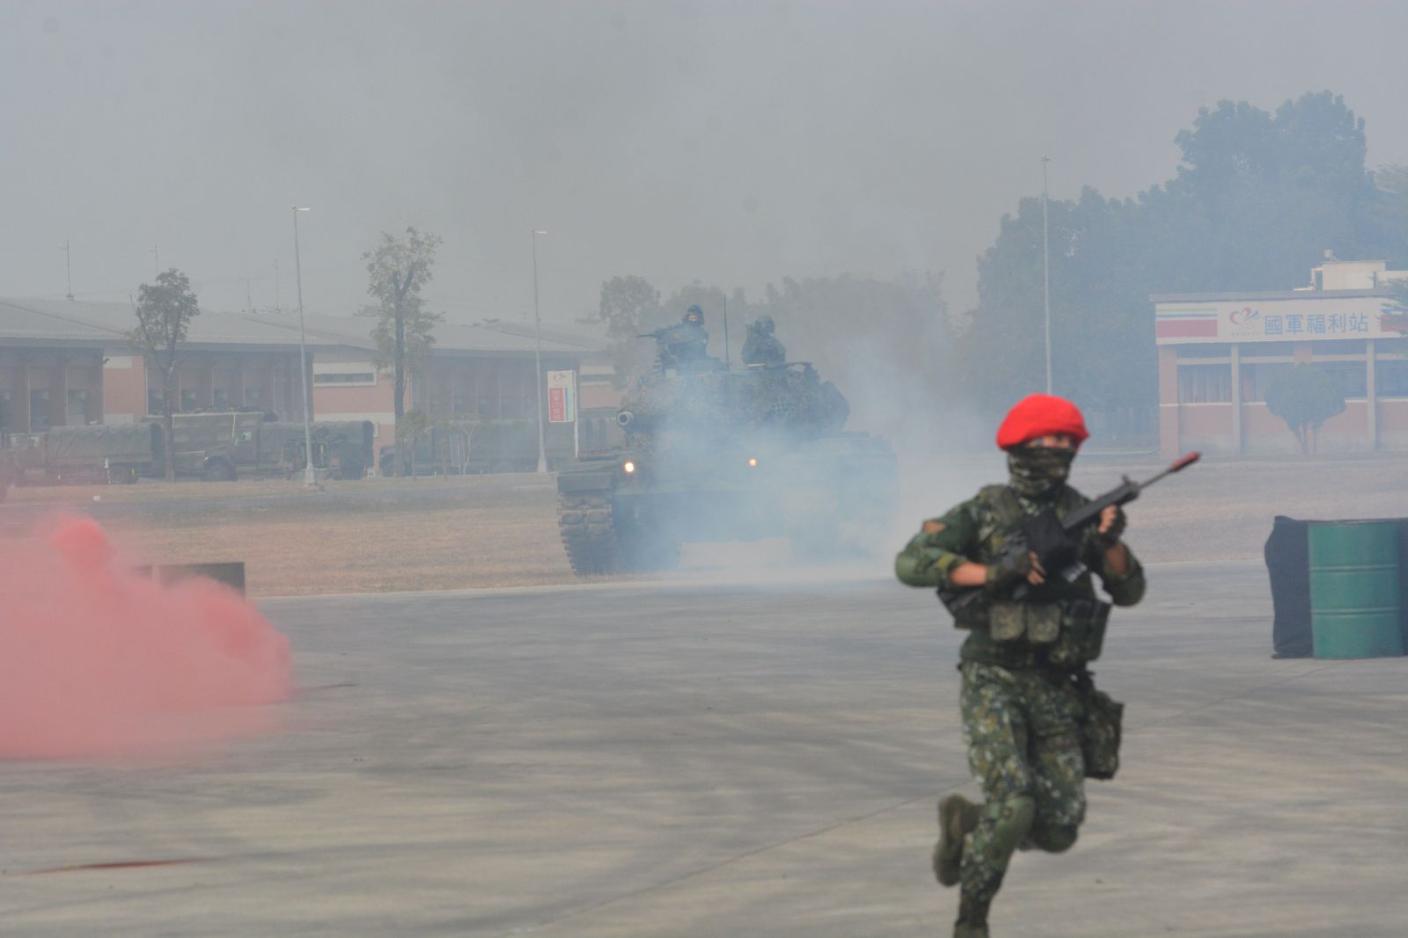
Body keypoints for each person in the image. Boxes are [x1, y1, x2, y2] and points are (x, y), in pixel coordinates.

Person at [894, 393, 1145, 938]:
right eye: (1046, 441)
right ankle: (971, 923)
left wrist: (1109, 544)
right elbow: (911, 562)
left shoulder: (1084, 513)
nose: (1056, 451)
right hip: (994, 677)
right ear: (1018, 447)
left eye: (1065, 442)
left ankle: (967, 823)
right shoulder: (984, 512)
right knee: (1014, 806)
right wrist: (988, 573)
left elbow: (1129, 591)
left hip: (1058, 686)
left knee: (1058, 830)